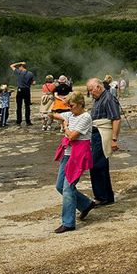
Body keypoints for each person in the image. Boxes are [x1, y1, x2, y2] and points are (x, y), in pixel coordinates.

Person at [50, 92, 95, 233]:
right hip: (67, 154)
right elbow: (54, 114)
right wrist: (56, 114)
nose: (70, 108)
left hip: (78, 155)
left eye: (72, 105)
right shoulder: (71, 114)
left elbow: (73, 136)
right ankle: (86, 204)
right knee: (59, 186)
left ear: (81, 104)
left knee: (68, 188)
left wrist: (65, 126)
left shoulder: (85, 117)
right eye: (68, 105)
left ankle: (68, 223)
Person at [86, 78, 121, 206]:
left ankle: (102, 196)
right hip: (95, 134)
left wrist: (114, 139)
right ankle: (105, 196)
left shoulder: (109, 98)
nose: (90, 93)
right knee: (99, 165)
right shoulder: (98, 98)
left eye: (91, 90)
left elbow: (116, 119)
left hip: (102, 134)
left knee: (97, 165)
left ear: (98, 87)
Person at [10, 62, 35, 126]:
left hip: (20, 90)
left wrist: (20, 62)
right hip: (27, 90)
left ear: (22, 67)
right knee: (27, 106)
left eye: (19, 66)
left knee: (19, 106)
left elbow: (11, 66)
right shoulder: (30, 73)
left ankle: (19, 121)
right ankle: (28, 121)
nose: (18, 67)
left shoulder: (19, 72)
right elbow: (33, 83)